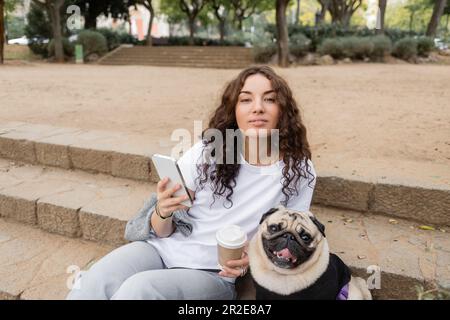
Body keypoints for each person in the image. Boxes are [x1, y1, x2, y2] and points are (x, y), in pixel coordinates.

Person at [66, 65, 317, 300]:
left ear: (282, 109)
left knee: (139, 290)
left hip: (211, 273)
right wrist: (162, 212)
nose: (258, 108)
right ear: (234, 110)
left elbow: (295, 235)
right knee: (95, 280)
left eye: (270, 99)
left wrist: (255, 257)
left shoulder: (298, 171)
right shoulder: (208, 152)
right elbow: (164, 229)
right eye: (246, 99)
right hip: (160, 250)